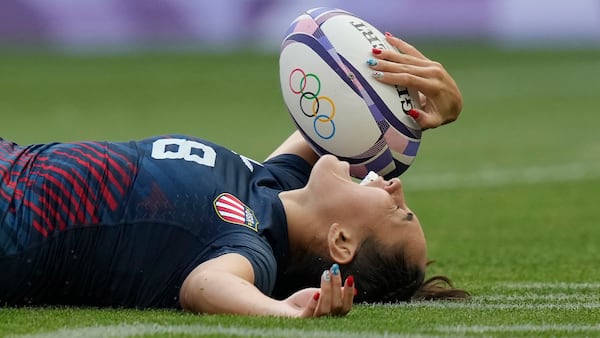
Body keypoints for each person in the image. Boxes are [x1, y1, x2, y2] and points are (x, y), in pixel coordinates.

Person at [0, 34, 467, 318]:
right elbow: (338, 115)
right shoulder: (274, 186)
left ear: (341, 241)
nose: (397, 186)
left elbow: (204, 287)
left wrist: (283, 311)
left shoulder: (251, 246)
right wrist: (430, 111)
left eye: (400, 213)